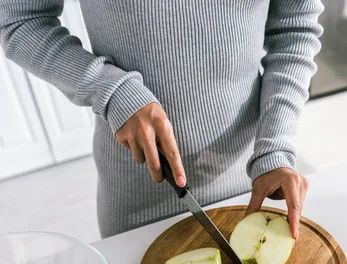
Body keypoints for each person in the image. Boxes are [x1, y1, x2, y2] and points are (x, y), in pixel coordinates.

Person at [0, 1, 323, 240]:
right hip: (139, 194)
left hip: (254, 182)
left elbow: (294, 29)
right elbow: (20, 19)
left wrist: (274, 146)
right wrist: (112, 90)